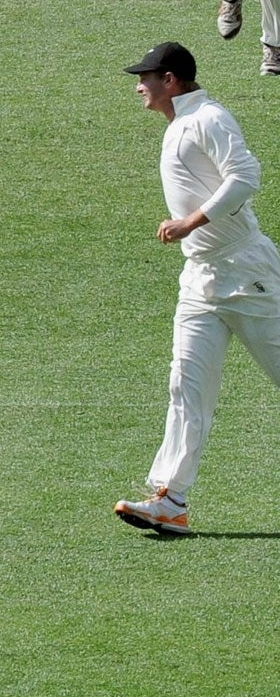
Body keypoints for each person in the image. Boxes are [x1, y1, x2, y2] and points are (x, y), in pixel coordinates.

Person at [115, 42, 280, 538]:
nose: (138, 84)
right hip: (200, 278)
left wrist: (191, 220)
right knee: (186, 386)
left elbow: (246, 175)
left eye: (146, 76)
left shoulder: (208, 116)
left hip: (246, 272)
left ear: (172, 80)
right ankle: (170, 499)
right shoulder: (178, 123)